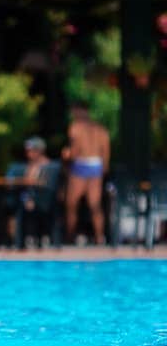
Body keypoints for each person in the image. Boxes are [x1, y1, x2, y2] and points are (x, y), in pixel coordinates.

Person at [62, 101, 110, 245]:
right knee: (95, 205)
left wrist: (67, 156)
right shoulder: (101, 129)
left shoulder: (75, 127)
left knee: (71, 204)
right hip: (96, 165)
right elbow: (106, 153)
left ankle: (70, 237)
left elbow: (74, 151)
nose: (73, 115)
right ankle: (99, 237)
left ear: (80, 111)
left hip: (81, 165)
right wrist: (103, 170)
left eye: (74, 111)